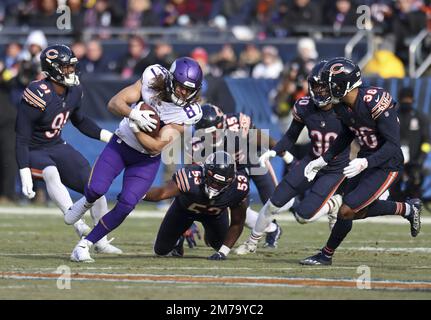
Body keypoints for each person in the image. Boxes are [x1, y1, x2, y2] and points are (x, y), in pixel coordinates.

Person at [65, 56, 204, 262]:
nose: (183, 92)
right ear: (170, 79)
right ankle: (86, 201)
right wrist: (134, 115)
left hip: (146, 159)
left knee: (126, 205)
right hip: (120, 146)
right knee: (96, 189)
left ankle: (84, 245)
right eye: (180, 86)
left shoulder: (189, 112)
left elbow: (157, 145)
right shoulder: (153, 77)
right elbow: (114, 103)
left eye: (188, 89)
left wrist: (136, 129)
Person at [300, 57, 422, 265]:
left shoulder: (373, 100)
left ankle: (326, 255)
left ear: (343, 84)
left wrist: (366, 162)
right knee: (353, 212)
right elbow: (347, 134)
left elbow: (393, 145)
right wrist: (324, 159)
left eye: (329, 84)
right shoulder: (341, 106)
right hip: (367, 157)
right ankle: (408, 209)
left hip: (387, 163)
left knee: (346, 210)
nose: (324, 90)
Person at [15, 44, 121, 254]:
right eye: (65, 67)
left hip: (56, 145)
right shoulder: (38, 92)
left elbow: (80, 121)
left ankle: (100, 240)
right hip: (34, 149)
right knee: (51, 173)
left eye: (71, 66)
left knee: (95, 187)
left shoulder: (74, 89)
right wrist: (24, 171)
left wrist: (108, 136)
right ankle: (78, 223)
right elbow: (21, 136)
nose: (70, 71)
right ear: (53, 69)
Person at [236, 61, 348, 255]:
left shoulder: (346, 110)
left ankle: (333, 204)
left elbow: (361, 136)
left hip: (333, 168)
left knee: (303, 216)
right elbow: (291, 135)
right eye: (315, 87)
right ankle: (252, 242)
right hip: (310, 162)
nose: (319, 92)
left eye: (323, 87)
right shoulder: (304, 106)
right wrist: (275, 151)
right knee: (273, 202)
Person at [188, 103, 288, 248]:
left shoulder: (237, 122)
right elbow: (189, 180)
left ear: (222, 122)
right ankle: (272, 228)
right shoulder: (197, 144)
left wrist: (284, 153)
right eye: (207, 133)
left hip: (253, 160)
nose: (213, 136)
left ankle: (279, 221)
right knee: (239, 209)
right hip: (232, 171)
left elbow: (261, 137)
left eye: (215, 131)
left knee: (273, 201)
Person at [145, 151, 249, 260]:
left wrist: (222, 253)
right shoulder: (191, 176)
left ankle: (210, 233)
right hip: (183, 212)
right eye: (212, 181)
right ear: (205, 172)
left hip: (215, 216)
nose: (215, 186)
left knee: (219, 245)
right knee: (161, 250)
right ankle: (178, 240)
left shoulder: (239, 187)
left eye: (220, 184)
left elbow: (237, 223)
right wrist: (136, 194)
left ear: (230, 181)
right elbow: (161, 193)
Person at [391, 86, 431, 200]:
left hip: (415, 159)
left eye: (408, 99)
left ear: (413, 100)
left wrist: (421, 157)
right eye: (404, 100)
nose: (406, 102)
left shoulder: (420, 117)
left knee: (415, 180)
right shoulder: (393, 116)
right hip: (396, 158)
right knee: (394, 184)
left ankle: (414, 205)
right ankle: (396, 203)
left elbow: (427, 141)